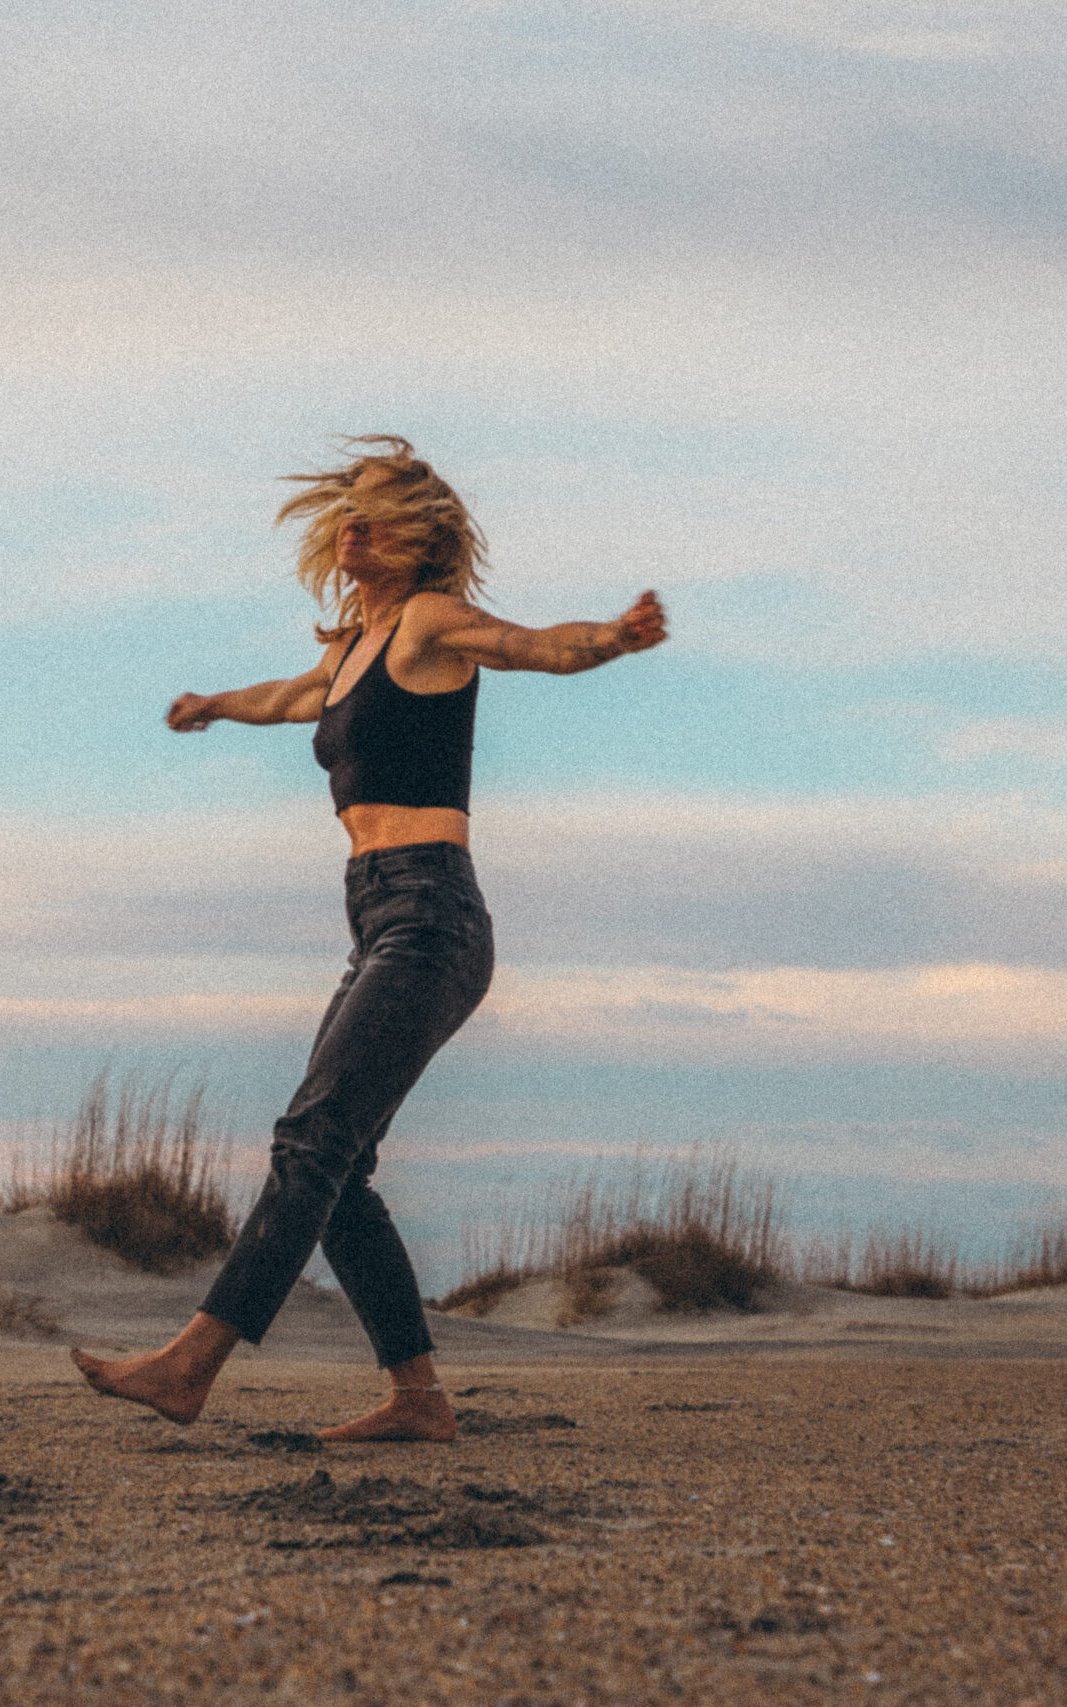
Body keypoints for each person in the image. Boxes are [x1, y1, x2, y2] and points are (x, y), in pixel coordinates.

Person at [71, 436, 667, 1442]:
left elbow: (533, 644)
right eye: (346, 508)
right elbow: (294, 700)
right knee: (336, 1165)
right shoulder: (348, 649)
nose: (350, 524)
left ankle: (190, 1364)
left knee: (311, 1143)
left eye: (374, 510)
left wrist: (609, 637)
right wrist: (216, 705)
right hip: (377, 914)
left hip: (433, 914)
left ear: (418, 535)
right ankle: (420, 1399)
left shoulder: (433, 622)